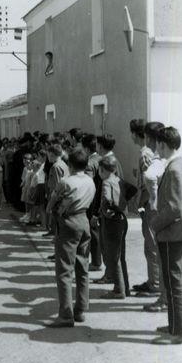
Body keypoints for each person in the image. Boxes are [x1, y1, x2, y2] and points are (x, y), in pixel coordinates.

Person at [46, 148, 96, 327]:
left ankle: (65, 314)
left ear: (70, 164)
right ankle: (81, 309)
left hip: (68, 222)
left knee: (64, 270)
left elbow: (51, 203)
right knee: (82, 267)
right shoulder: (90, 181)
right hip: (84, 220)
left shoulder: (66, 182)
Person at [151, 127, 182, 344]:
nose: (156, 148)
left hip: (171, 233)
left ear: (164, 145)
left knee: (174, 282)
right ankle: (176, 324)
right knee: (179, 280)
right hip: (179, 231)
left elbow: (174, 206)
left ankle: (179, 332)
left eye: (158, 144)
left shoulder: (173, 169)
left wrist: (154, 224)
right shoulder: (180, 164)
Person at [140, 122, 168, 311]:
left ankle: (163, 296)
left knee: (159, 252)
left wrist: (154, 200)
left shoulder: (158, 160)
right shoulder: (173, 159)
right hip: (171, 213)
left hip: (161, 213)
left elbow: (149, 178)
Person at [130, 119, 158, 297]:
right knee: (150, 244)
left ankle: (155, 283)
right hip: (147, 204)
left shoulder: (145, 154)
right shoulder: (146, 153)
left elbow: (150, 183)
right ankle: (152, 280)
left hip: (149, 204)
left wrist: (140, 203)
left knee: (151, 244)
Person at [98, 155, 130, 299]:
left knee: (113, 256)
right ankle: (125, 287)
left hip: (112, 221)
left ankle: (119, 290)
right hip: (122, 220)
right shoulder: (119, 180)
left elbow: (106, 199)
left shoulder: (106, 182)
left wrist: (105, 212)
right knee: (120, 256)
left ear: (103, 169)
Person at [83, 134, 102, 271]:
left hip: (92, 200)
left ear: (85, 148)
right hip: (100, 198)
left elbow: (88, 184)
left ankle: (96, 261)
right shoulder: (101, 159)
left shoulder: (90, 163)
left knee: (93, 231)